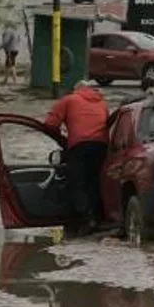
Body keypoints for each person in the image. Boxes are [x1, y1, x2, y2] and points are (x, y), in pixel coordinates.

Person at [44, 80, 110, 234]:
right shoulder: (102, 103)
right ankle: (99, 218)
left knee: (77, 183)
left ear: (76, 90)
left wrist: (63, 140)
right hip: (102, 146)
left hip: (79, 146)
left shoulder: (69, 100)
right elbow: (108, 124)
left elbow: (50, 124)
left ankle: (86, 220)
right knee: (95, 182)